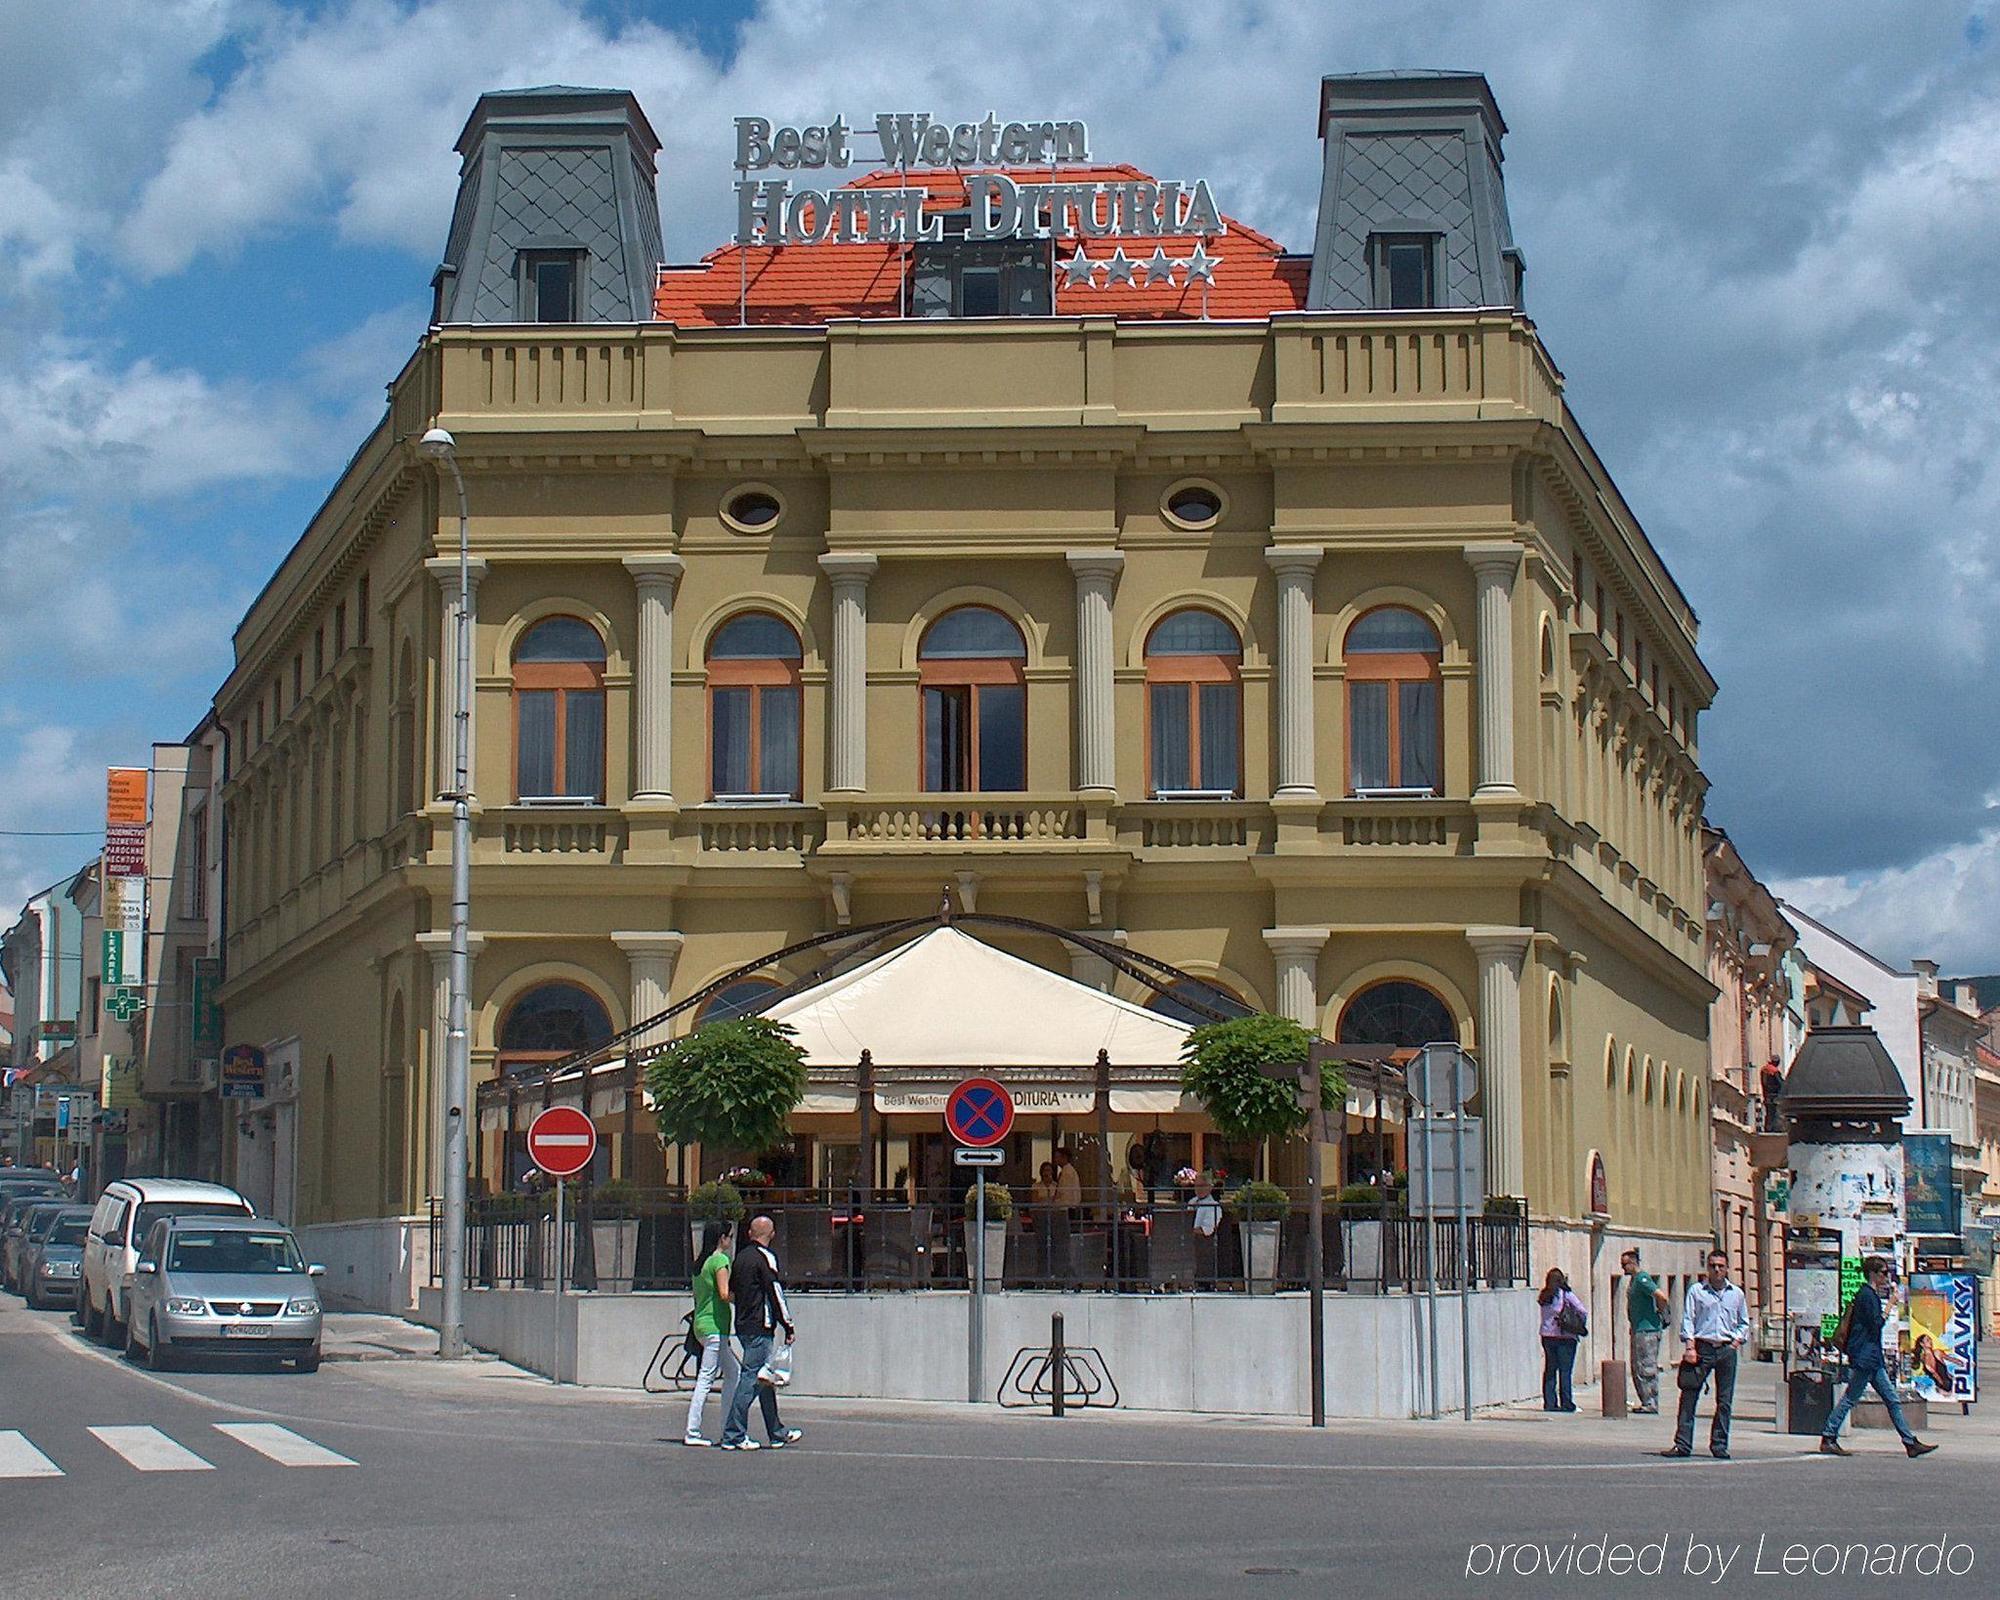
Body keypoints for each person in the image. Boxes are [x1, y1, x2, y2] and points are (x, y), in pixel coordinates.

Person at [1820, 1255, 1938, 1458]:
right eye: (1883, 1273)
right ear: (1873, 1274)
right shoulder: (1867, 1295)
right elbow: (1876, 1324)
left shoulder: (1869, 1295)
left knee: (1892, 1399)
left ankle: (1909, 1442)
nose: (1886, 1277)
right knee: (1851, 1398)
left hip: (1872, 1357)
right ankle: (1828, 1436)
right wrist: (1891, 1304)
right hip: (1866, 1356)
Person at [720, 1216, 801, 1451]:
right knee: (752, 1378)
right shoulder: (766, 1258)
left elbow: (734, 1292)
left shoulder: (740, 1258)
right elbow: (775, 1293)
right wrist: (788, 1325)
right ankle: (733, 1434)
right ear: (772, 1234)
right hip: (760, 1326)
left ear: (749, 1233)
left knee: (766, 1381)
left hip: (744, 1325)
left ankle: (776, 1433)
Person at [1661, 1248, 1750, 1459]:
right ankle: (1682, 1444)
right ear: (1707, 1268)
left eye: (1720, 1266)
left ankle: (1719, 1445)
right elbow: (1689, 1319)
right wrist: (1690, 1347)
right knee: (1689, 1395)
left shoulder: (1736, 1294)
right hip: (1702, 1349)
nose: (1717, 1270)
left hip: (1726, 1350)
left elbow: (1744, 1323)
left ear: (1727, 1268)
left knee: (1724, 1400)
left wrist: (1735, 1343)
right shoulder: (1697, 1291)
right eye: (1712, 1266)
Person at [683, 1222, 737, 1446]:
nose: (731, 1241)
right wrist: (743, 1298)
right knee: (706, 1378)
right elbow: (724, 1294)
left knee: (733, 1372)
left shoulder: (701, 1264)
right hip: (716, 1325)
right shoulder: (719, 1260)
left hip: (703, 1324)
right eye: (729, 1237)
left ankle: (727, 1425)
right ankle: (692, 1430)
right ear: (722, 1238)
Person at [1621, 1247, 1670, 1415]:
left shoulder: (1642, 1279)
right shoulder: (1633, 1280)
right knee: (1637, 1366)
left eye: (1625, 1264)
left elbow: (1661, 1296)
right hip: (1637, 1329)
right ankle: (1645, 1401)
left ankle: (1651, 1402)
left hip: (1647, 1330)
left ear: (1633, 1262)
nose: (1623, 1268)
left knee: (1646, 1366)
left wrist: (1661, 1313)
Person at [1537, 1267, 1588, 1412]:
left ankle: (1550, 1403)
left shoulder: (1544, 1295)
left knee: (1550, 1370)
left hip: (1547, 1336)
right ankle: (1567, 1403)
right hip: (1565, 1336)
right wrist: (1578, 1323)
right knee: (1565, 1371)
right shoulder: (1565, 1294)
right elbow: (1582, 1310)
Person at [1053, 1148, 1083, 1216]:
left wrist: (1056, 1204)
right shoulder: (1068, 1171)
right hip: (1068, 1206)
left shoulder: (1067, 1172)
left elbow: (1064, 1192)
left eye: (1057, 1157)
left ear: (1064, 1157)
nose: (1055, 1159)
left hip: (1066, 1208)